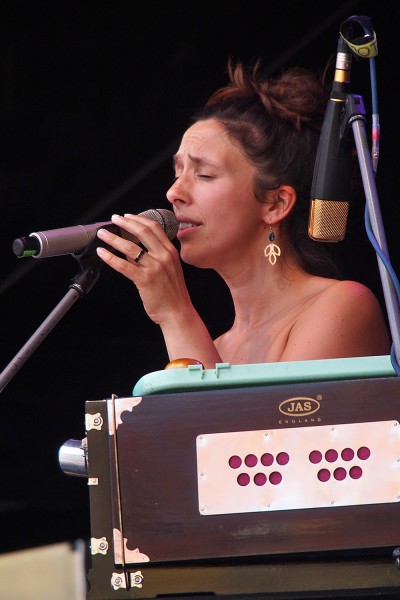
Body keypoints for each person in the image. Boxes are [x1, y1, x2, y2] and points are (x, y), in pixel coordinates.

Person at [95, 60, 390, 369]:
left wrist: (175, 313)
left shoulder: (342, 306)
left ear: (276, 204)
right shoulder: (216, 348)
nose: (173, 193)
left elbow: (247, 418)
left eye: (205, 175)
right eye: (177, 173)